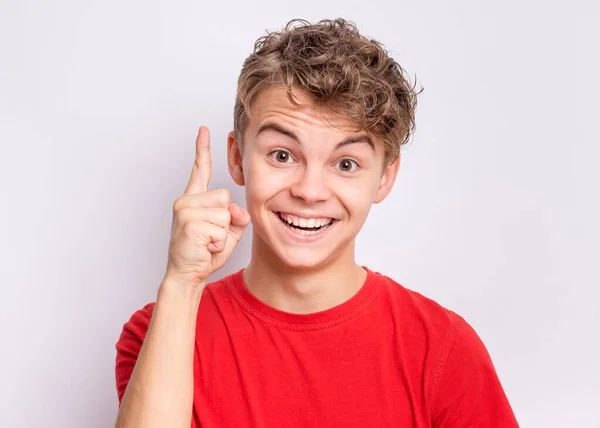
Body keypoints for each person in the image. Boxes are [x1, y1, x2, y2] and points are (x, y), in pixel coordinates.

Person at [113, 18, 519, 428]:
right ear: (237, 159)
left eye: (346, 164)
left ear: (385, 177)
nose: (310, 191)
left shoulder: (442, 348)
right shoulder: (158, 330)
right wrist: (182, 284)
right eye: (282, 155)